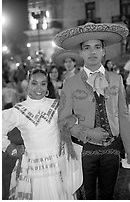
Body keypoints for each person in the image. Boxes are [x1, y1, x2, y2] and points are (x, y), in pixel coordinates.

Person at [54, 22, 130, 200]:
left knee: (108, 194)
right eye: (87, 48)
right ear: (81, 52)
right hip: (84, 149)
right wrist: (89, 134)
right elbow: (63, 120)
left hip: (113, 148)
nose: (92, 52)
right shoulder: (70, 83)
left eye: (97, 47)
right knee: (87, 196)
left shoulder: (116, 78)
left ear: (103, 51)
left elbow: (123, 114)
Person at [2, 67, 83, 200]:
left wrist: (73, 119)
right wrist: (11, 149)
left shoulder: (56, 105)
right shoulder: (19, 110)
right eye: (34, 83)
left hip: (58, 165)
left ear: (47, 86)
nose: (38, 87)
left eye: (43, 83)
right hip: (33, 168)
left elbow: (76, 118)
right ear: (27, 84)